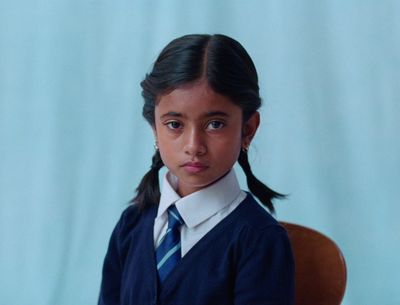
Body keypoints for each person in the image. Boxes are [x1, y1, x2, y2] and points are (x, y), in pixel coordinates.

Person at [98, 34, 295, 305]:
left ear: (248, 129)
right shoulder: (132, 224)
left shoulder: (259, 241)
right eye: (175, 125)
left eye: (215, 124)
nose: (194, 146)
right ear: (155, 128)